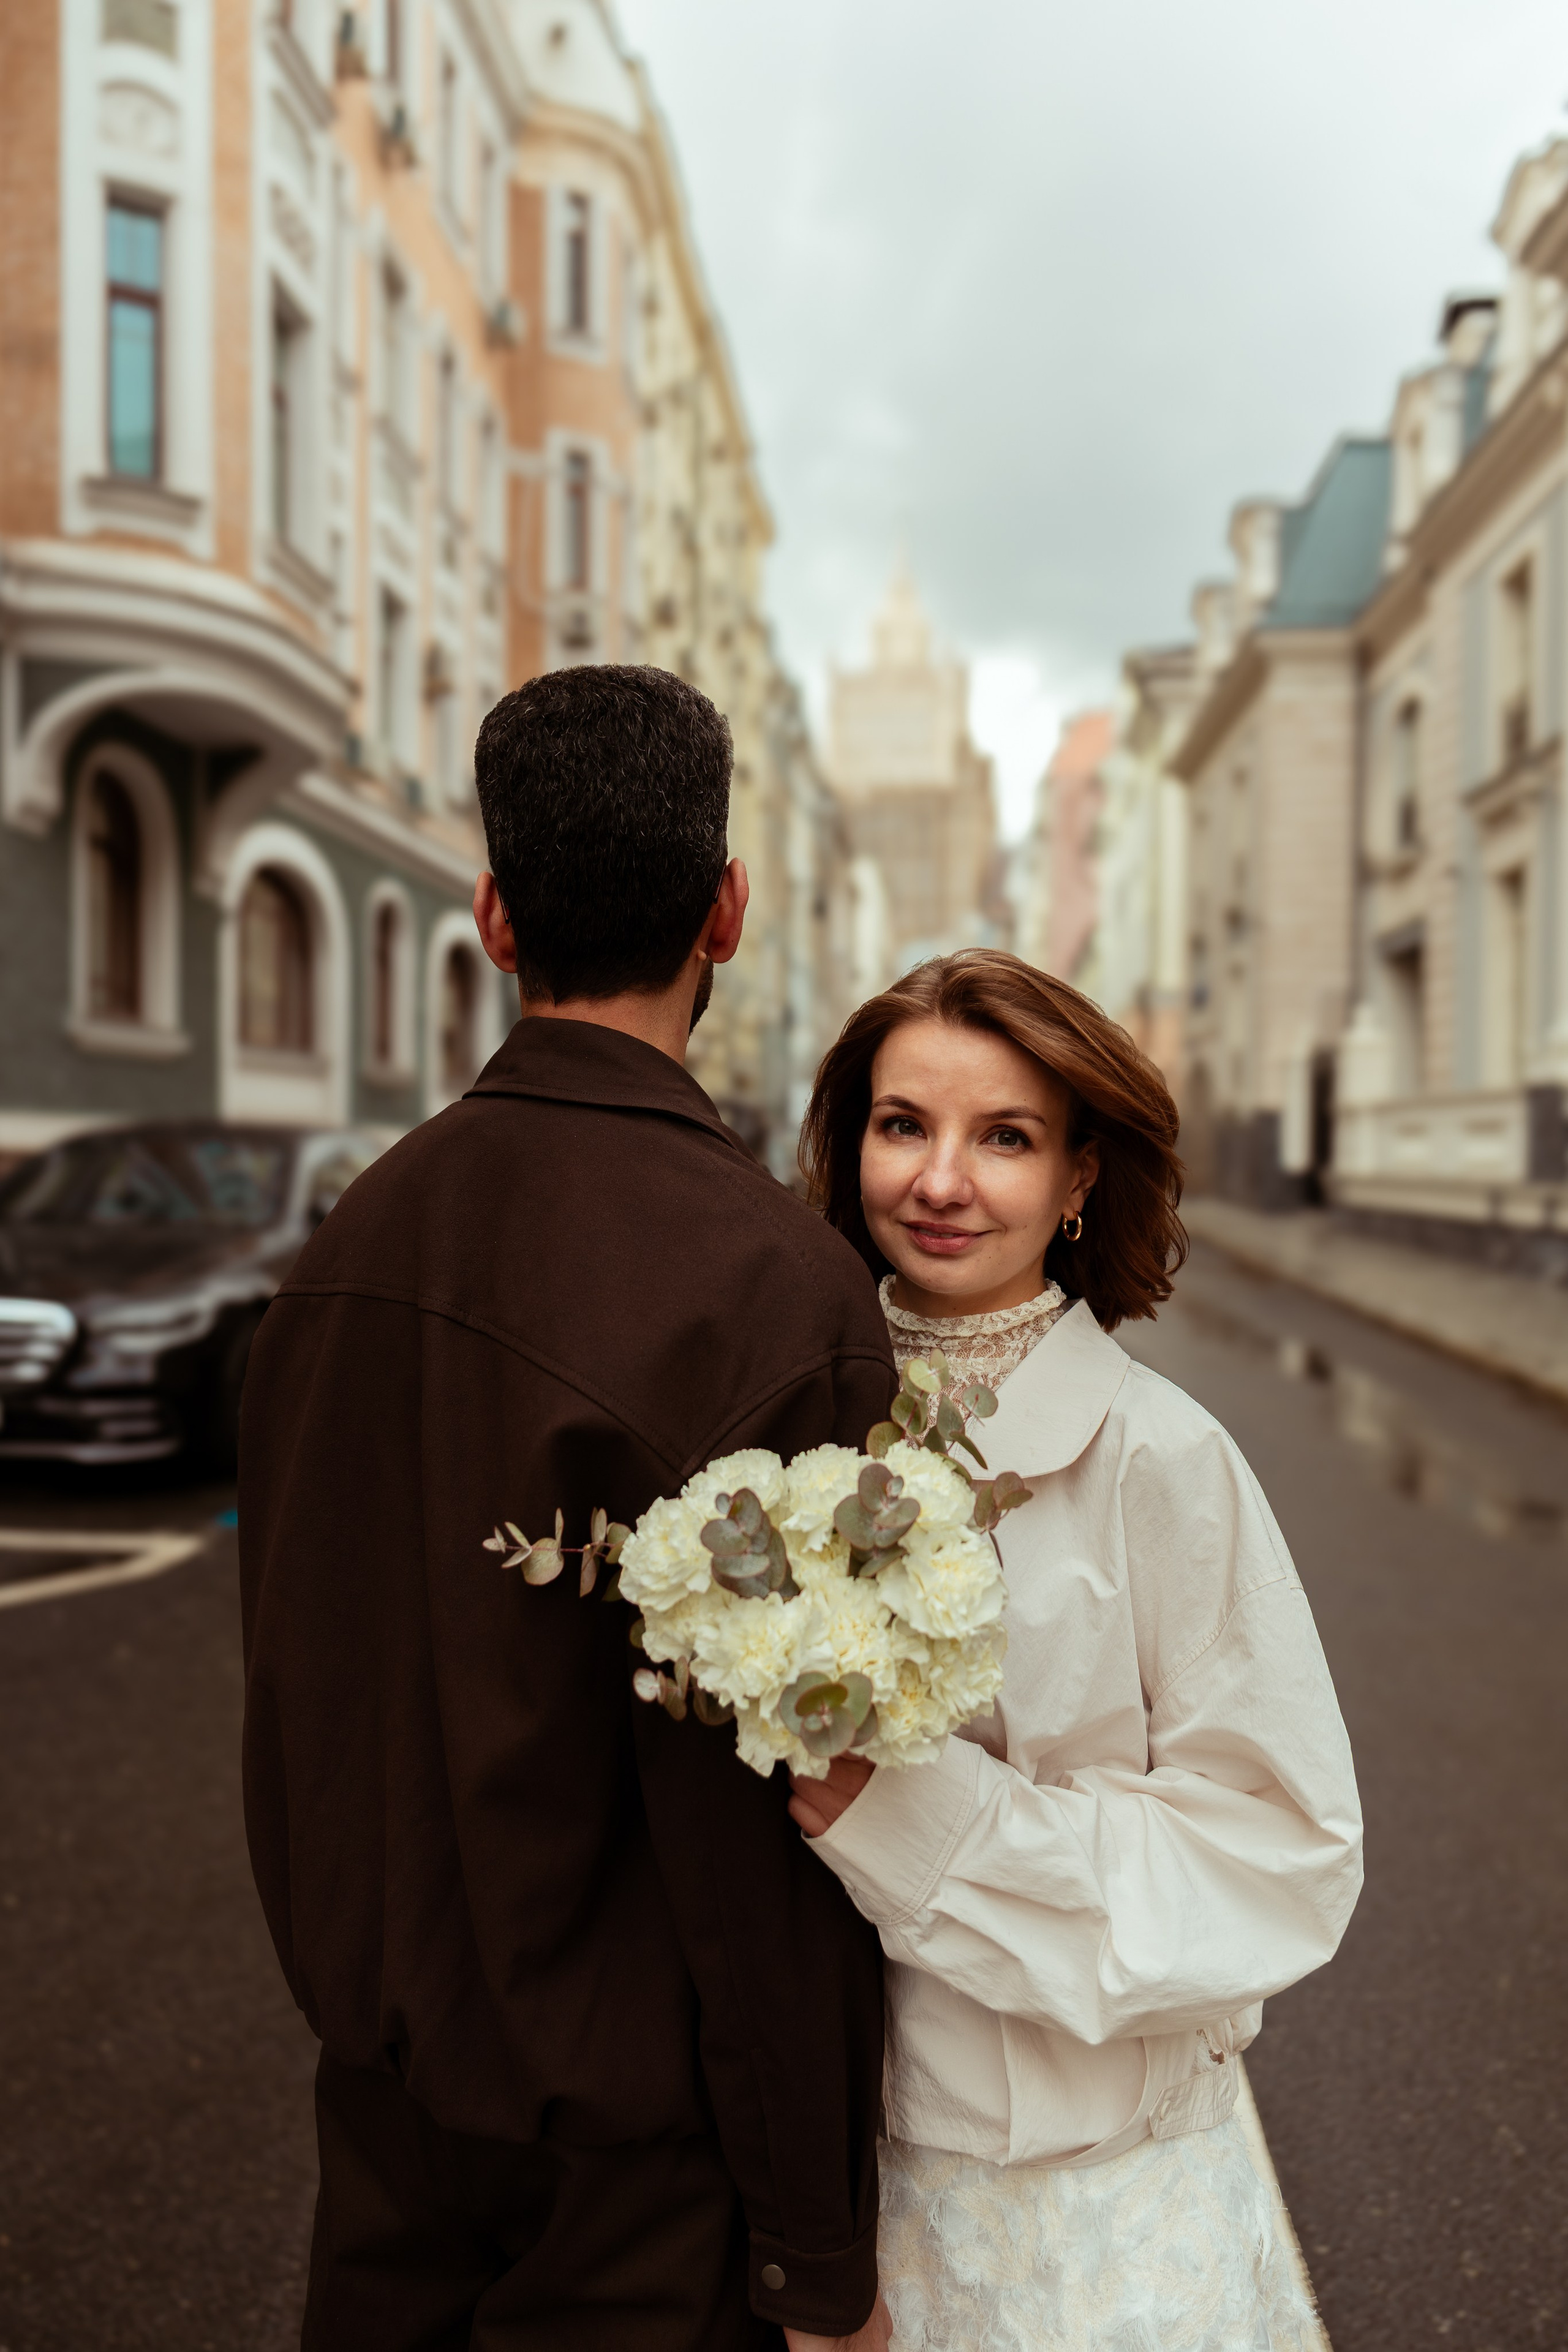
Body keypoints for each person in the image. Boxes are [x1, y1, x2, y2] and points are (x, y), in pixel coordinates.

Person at [239, 665, 895, 2352]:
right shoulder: (778, 1289)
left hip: (384, 2128)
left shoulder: (339, 1253)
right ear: (729, 912)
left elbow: (297, 1690)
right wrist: (815, 2252)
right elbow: (768, 1824)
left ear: (491, 915)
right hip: (640, 2188)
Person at [790, 949, 1363, 2351]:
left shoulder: (1162, 1458)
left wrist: (929, 1834)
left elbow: (1279, 1858)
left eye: (1004, 1138)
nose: (937, 1181)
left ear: (1079, 1176)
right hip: (818, 2186)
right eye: (900, 1124)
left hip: (1088, 2209)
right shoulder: (781, 1424)